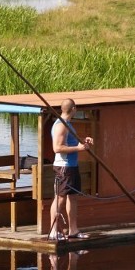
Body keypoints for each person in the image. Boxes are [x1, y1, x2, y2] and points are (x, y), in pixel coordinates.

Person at [50, 98, 93, 241]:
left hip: (72, 166)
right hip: (64, 167)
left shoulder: (68, 124)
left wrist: (83, 141)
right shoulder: (61, 125)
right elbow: (57, 148)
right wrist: (79, 149)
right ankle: (53, 231)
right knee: (60, 198)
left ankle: (73, 230)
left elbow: (71, 141)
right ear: (73, 109)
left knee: (73, 197)